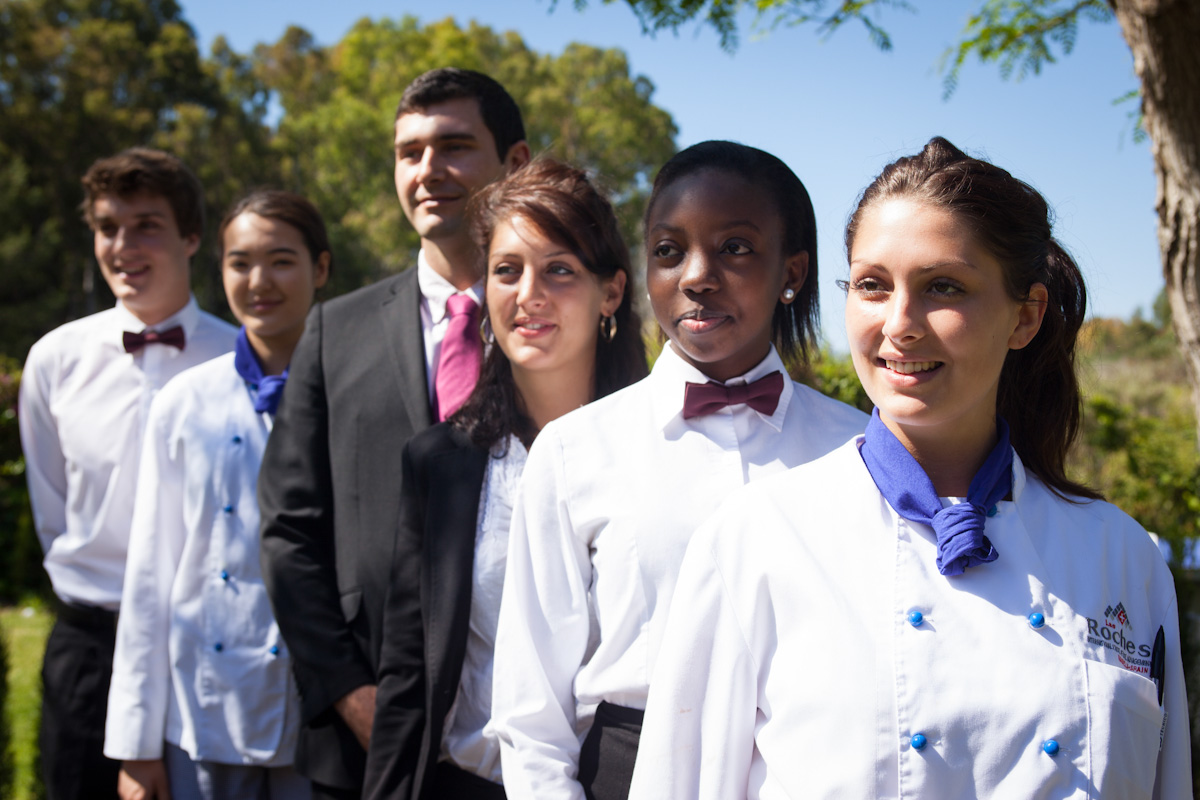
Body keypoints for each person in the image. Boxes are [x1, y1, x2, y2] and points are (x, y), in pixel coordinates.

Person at [627, 137, 1192, 799]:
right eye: (872, 286)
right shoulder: (757, 540)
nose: (899, 325)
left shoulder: (1121, 554)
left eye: (942, 287)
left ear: (1025, 316)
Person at [490, 140, 869, 800]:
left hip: (813, 770)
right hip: (624, 770)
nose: (697, 275)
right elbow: (531, 717)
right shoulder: (574, 450)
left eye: (735, 248)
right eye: (669, 251)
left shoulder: (862, 450)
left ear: (794, 272)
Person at [258, 68, 531, 800]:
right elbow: (289, 531)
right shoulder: (331, 332)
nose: (427, 171)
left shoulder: (560, 330)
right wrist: (349, 692)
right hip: (367, 740)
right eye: (409, 153)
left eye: (453, 146)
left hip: (528, 738)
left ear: (515, 164)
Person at [362, 158, 648, 800]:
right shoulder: (440, 462)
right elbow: (409, 675)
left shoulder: (661, 455)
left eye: (560, 270)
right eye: (507, 270)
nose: (529, 295)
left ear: (612, 292)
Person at [18, 148, 237, 800]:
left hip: (206, 648)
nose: (123, 245)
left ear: (191, 236)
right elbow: (52, 509)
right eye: (108, 227)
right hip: (90, 646)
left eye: (146, 225)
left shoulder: (241, 358)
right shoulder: (53, 361)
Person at [104, 190, 330, 800]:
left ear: (322, 268)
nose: (260, 281)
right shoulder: (185, 400)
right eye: (239, 262)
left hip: (319, 713)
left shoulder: (354, 394)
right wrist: (135, 744)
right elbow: (151, 573)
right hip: (201, 707)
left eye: (282, 260)